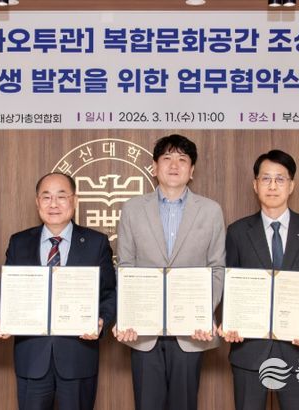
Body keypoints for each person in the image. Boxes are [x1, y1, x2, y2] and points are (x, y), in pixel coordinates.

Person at [114, 134, 226, 410]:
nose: (174, 165)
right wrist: (128, 314)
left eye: (182, 159)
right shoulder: (132, 209)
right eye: (166, 158)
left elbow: (217, 267)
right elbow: (125, 266)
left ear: (192, 170)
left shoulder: (211, 211)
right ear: (154, 167)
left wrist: (203, 313)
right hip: (144, 332)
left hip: (191, 332)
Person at [218, 149, 299, 410]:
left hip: (298, 350)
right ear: (255, 184)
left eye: (280, 179)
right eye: (266, 178)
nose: (272, 186)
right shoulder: (237, 232)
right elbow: (230, 283)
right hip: (249, 351)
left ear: (291, 185)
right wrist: (230, 321)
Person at [0, 172, 116, 410]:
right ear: (37, 202)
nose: (53, 204)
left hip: (78, 357)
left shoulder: (96, 243)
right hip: (32, 358)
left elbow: (110, 292)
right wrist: (3, 317)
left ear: (75, 200)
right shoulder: (19, 242)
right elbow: (8, 291)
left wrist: (102, 320)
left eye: (61, 196)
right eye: (46, 197)